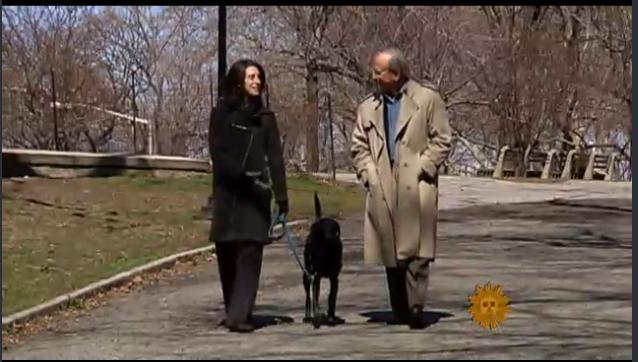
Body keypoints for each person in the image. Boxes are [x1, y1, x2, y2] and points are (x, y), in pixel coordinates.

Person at [350, 47, 452, 329]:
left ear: (395, 74)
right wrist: (368, 174)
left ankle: (416, 307)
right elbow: (358, 146)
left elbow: (442, 139)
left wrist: (424, 166)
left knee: (417, 252)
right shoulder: (368, 106)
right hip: (382, 183)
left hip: (416, 185)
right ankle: (400, 308)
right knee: (391, 251)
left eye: (378, 71)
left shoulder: (427, 99)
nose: (373, 76)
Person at [209, 59, 289, 333]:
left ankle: (239, 315)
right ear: (238, 81)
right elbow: (217, 153)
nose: (256, 81)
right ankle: (236, 310)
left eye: (259, 77)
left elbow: (276, 159)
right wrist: (238, 175)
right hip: (228, 193)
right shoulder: (221, 113)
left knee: (250, 254)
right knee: (228, 255)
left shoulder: (266, 118)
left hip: (257, 194)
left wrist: (281, 196)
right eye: (251, 77)